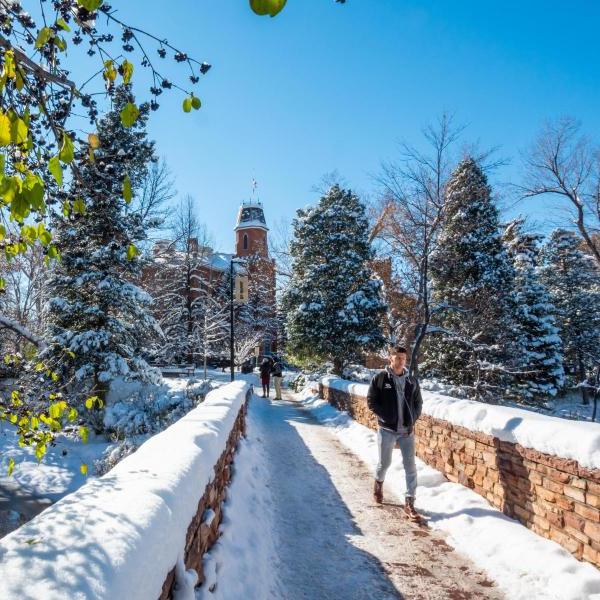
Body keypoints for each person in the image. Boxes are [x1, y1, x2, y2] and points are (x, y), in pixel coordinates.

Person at [367, 345, 423, 521]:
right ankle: (378, 484)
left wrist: (412, 419)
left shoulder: (412, 381)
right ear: (390, 359)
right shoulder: (381, 378)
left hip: (407, 431)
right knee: (385, 463)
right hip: (387, 430)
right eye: (397, 357)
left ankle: (410, 503)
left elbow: (418, 403)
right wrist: (385, 416)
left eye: (403, 358)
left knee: (411, 467)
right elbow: (371, 401)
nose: (401, 361)